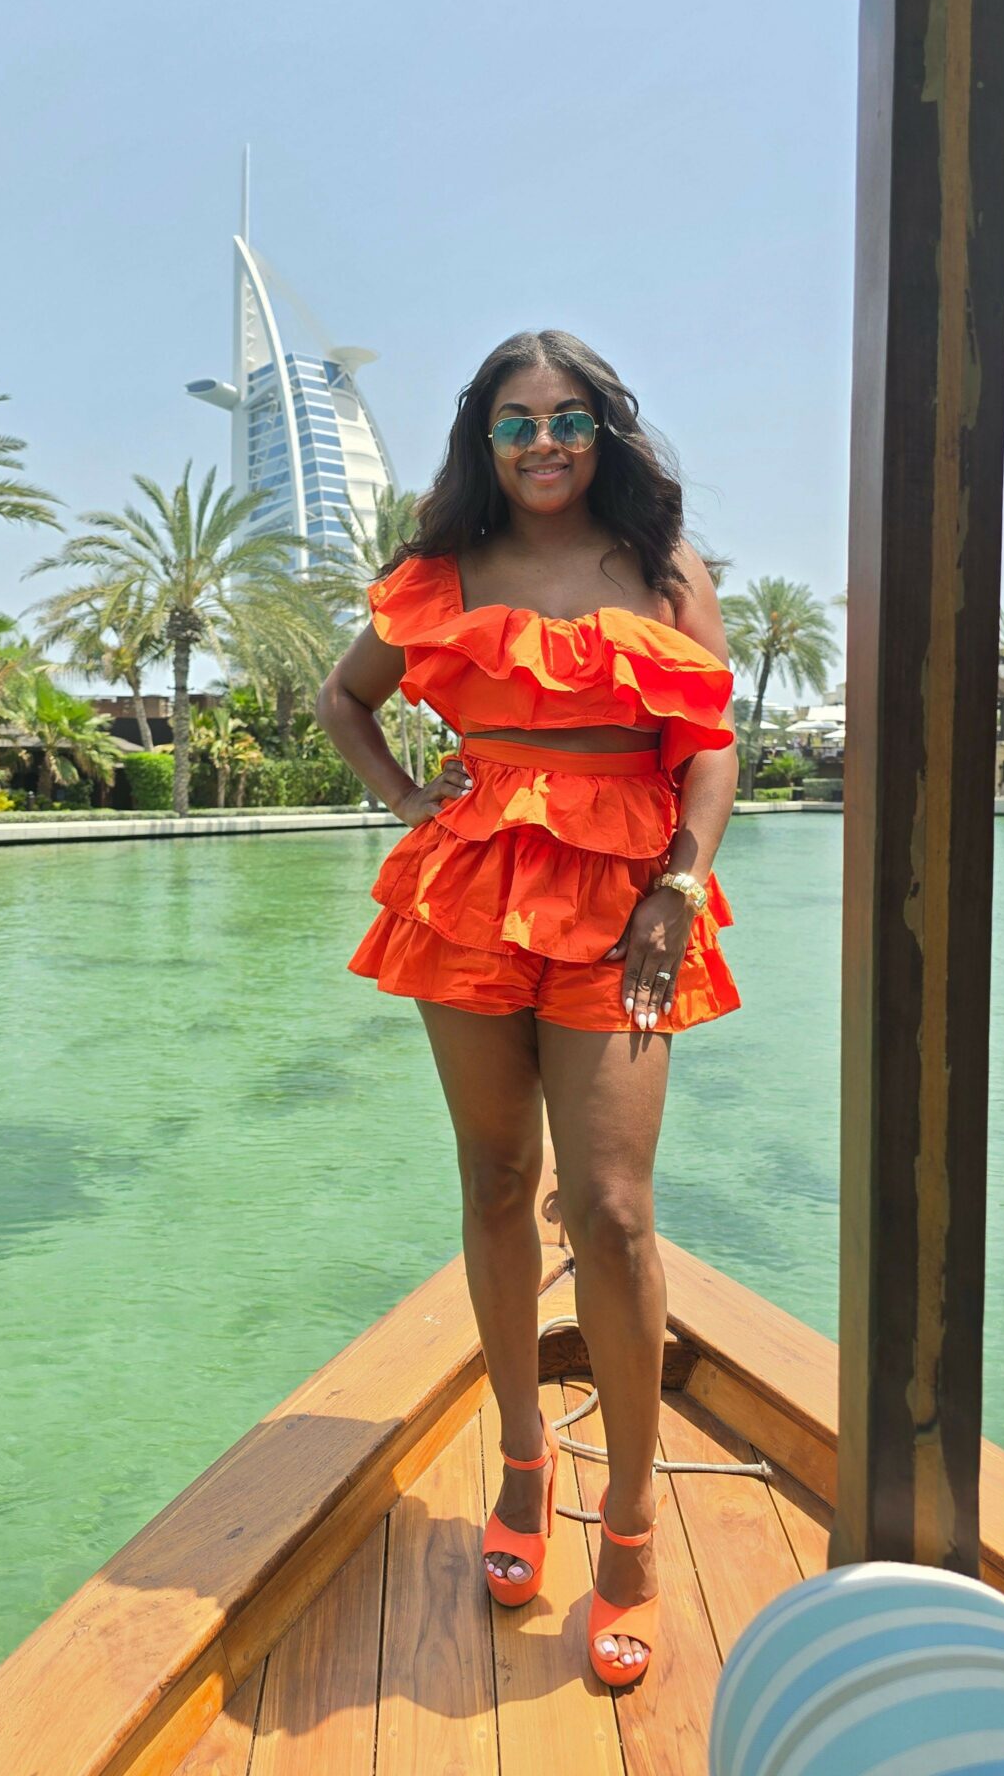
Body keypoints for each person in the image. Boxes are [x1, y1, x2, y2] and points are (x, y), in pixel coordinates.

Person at [316, 328, 740, 1690]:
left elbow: (710, 746)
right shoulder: (440, 572)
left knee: (612, 1209)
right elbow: (345, 696)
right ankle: (517, 1452)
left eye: (568, 418)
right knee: (499, 1179)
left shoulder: (660, 565)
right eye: (517, 421)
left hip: (627, 895)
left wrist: (683, 875)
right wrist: (408, 801)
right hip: (473, 884)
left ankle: (624, 1525)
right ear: (481, 439)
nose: (545, 441)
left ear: (604, 431)